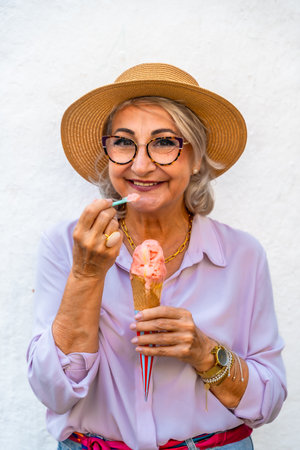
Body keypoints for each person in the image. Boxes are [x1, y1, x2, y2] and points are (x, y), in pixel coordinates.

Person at [27, 63, 287, 450]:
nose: (142, 164)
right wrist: (85, 275)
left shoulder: (242, 255)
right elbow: (55, 393)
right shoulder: (67, 244)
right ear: (108, 153)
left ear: (196, 158)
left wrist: (204, 351)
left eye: (165, 142)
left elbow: (267, 402)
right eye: (124, 142)